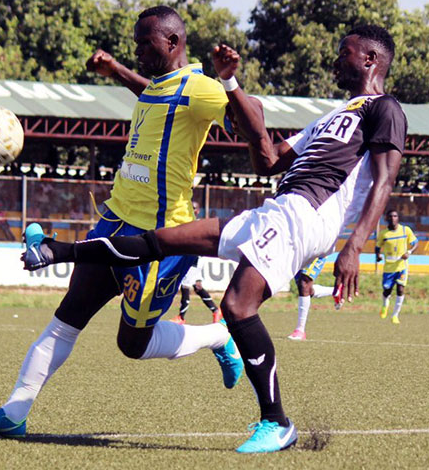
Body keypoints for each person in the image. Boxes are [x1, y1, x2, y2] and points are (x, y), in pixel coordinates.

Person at [23, 25, 407, 453]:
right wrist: (230, 83)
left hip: (306, 216)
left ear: (371, 59)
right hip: (277, 208)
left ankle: (277, 422)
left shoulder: (385, 108)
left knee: (237, 306)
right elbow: (268, 159)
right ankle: (58, 250)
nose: (337, 59)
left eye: (345, 52)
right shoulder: (334, 116)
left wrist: (354, 246)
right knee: (160, 241)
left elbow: (385, 179)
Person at [0, 6, 243, 439]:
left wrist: (230, 81)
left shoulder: (201, 89)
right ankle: (15, 413)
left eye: (145, 44)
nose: (139, 52)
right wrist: (115, 69)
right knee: (67, 316)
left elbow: (245, 121)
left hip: (159, 240)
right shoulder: (161, 88)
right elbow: (153, 92)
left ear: (173, 43)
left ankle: (217, 338)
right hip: (113, 221)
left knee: (133, 345)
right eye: (135, 46)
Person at [169, 203, 222, 324]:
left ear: (197, 211)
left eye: (193, 208)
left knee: (185, 285)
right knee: (198, 287)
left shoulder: (198, 223)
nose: (191, 210)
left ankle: (181, 317)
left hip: (195, 258)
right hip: (193, 257)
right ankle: (215, 310)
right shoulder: (186, 221)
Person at [375, 209, 418, 324]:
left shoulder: (405, 230)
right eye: (391, 216)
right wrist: (378, 256)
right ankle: (385, 306)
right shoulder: (384, 234)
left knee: (400, 289)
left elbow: (415, 243)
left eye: (395, 216)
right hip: (389, 268)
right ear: (386, 219)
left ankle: (395, 315)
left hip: (402, 266)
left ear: (398, 218)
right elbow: (378, 247)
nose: (393, 218)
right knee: (387, 291)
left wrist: (409, 252)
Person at [286, 257, 336, 341]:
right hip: (300, 252)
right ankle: (336, 291)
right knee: (305, 288)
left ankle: (300, 330)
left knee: (304, 283)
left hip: (316, 250)